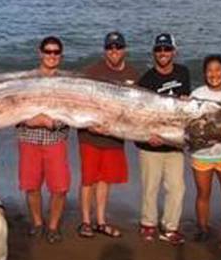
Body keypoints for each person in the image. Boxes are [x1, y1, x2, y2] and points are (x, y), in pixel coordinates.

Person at [76, 31, 138, 239]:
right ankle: (85, 221)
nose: (114, 51)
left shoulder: (133, 74)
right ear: (105, 51)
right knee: (88, 180)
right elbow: (78, 100)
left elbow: (137, 109)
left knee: (105, 180)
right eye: (110, 48)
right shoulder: (91, 71)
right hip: (90, 135)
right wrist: (90, 125)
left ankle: (101, 221)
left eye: (118, 47)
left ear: (124, 50)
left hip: (114, 137)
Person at [136, 33, 191, 245]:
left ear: (174, 52)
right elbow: (139, 114)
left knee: (177, 188)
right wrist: (148, 136)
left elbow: (182, 109)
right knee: (150, 187)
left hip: (174, 144)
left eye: (167, 49)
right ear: (153, 53)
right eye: (159, 50)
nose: (163, 53)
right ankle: (148, 223)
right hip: (150, 143)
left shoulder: (183, 72)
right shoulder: (146, 79)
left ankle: (170, 227)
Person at [17, 36, 70, 244]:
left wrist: (53, 124)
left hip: (55, 139)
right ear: (40, 53)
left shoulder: (67, 82)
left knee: (60, 188)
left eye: (56, 52)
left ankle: (53, 226)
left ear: (61, 56)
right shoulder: (26, 79)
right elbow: (12, 106)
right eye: (48, 51)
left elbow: (73, 109)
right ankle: (38, 223)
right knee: (31, 186)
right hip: (28, 138)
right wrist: (30, 121)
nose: (52, 56)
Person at [189, 54, 221, 241]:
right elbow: (189, 123)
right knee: (203, 193)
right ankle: (202, 228)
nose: (213, 74)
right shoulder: (197, 94)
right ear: (204, 73)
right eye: (209, 70)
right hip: (202, 154)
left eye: (217, 70)